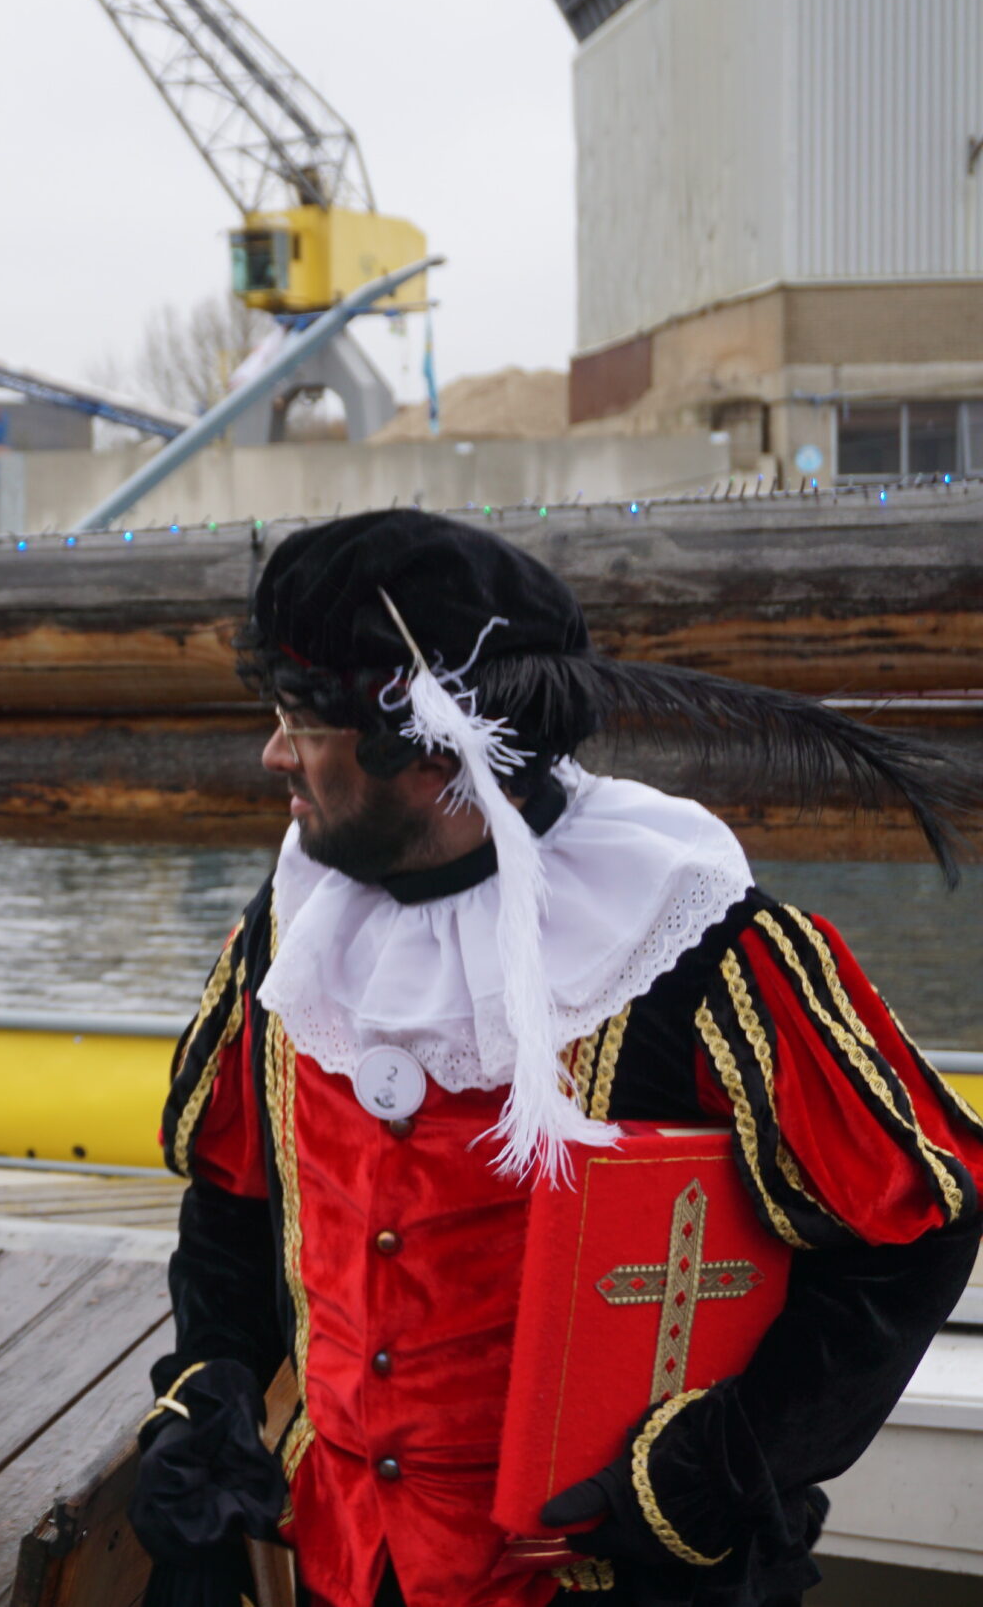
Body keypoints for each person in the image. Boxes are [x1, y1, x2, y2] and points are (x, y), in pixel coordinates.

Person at [131, 510, 983, 1607]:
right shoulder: (299, 927)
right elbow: (235, 1202)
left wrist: (713, 1472)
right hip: (348, 1559)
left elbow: (915, 1225)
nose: (273, 753)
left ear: (431, 748)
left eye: (300, 720)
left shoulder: (686, 946)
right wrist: (210, 1380)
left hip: (599, 1578)